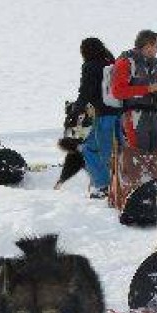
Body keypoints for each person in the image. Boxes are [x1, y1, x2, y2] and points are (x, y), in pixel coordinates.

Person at [65, 37, 122, 198]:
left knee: (91, 150)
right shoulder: (111, 62)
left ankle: (103, 186)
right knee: (116, 151)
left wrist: (75, 112)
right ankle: (120, 182)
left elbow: (85, 93)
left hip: (104, 115)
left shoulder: (90, 66)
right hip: (120, 114)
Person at [111, 30, 157, 151]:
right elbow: (117, 91)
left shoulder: (153, 66)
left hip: (154, 115)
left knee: (156, 159)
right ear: (148, 46)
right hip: (135, 116)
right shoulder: (126, 63)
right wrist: (147, 89)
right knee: (139, 157)